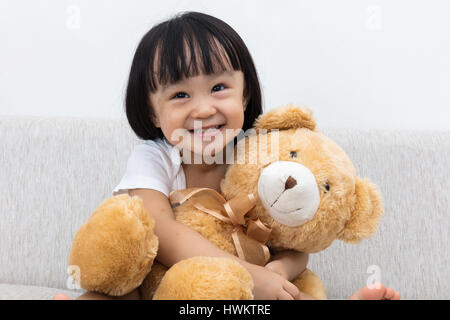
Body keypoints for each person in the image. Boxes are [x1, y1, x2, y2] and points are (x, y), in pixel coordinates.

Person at [54, 11, 400, 300]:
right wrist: (248, 274)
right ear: (153, 112)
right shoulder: (155, 157)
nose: (203, 108)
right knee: (119, 292)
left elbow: (295, 237)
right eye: (180, 94)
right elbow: (159, 229)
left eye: (219, 88)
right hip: (161, 287)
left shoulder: (259, 154)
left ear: (245, 93)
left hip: (228, 294)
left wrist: (278, 271)